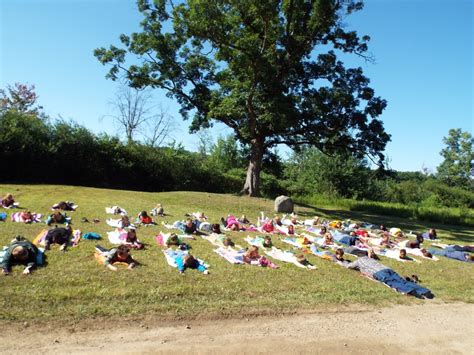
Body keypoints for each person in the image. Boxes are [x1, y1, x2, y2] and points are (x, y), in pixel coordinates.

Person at [345, 255, 434, 298]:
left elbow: (348, 266)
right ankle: (425, 291)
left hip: (378, 272)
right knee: (403, 281)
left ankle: (410, 291)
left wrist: (353, 265)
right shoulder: (369, 258)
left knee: (393, 282)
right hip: (387, 269)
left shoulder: (358, 261)